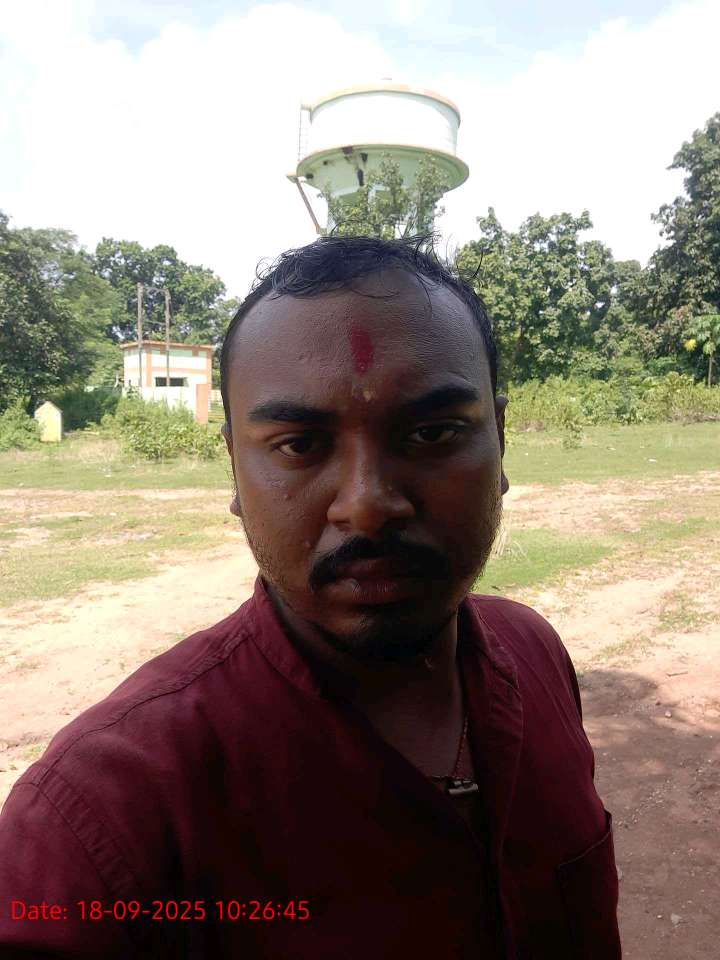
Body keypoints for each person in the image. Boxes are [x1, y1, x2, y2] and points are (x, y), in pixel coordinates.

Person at [0, 235, 621, 958]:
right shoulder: (98, 820)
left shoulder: (534, 653)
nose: (367, 506)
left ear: (501, 442)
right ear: (235, 469)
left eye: (432, 433)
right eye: (299, 444)